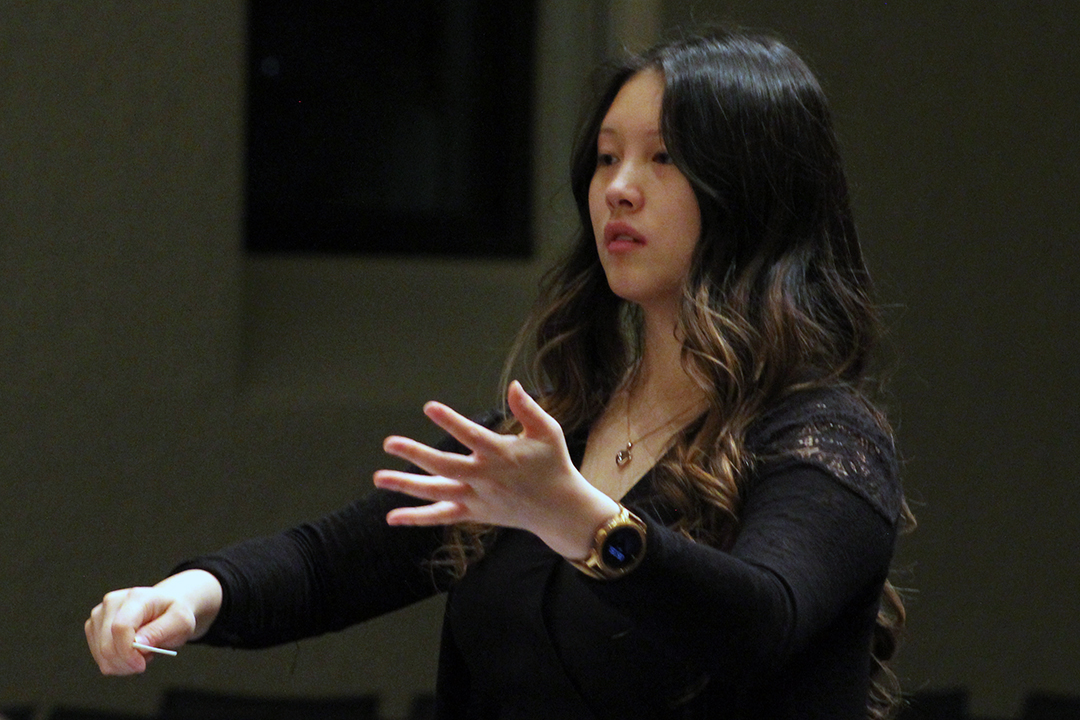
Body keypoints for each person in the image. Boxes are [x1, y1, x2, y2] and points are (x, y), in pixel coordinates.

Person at [86, 29, 912, 719]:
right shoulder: (566, 430)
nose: (617, 190)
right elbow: (330, 564)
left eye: (663, 159)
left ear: (757, 193)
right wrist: (192, 596)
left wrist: (587, 526)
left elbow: (759, 622)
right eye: (605, 157)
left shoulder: (826, 438)